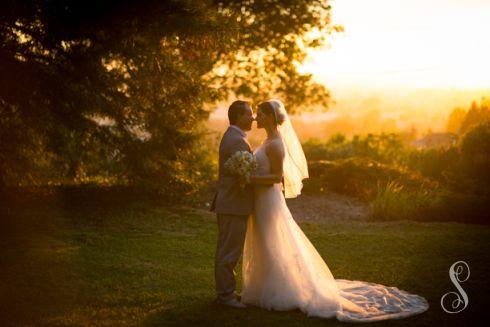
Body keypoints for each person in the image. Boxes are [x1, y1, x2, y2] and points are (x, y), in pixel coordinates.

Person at [241, 99, 429, 322]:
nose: (256, 117)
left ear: (272, 117)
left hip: (268, 199)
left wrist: (250, 179)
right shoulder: (267, 140)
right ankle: (262, 287)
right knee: (264, 241)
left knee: (272, 241)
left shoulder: (276, 144)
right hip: (261, 199)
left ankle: (282, 291)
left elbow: (276, 178)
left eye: (261, 114)